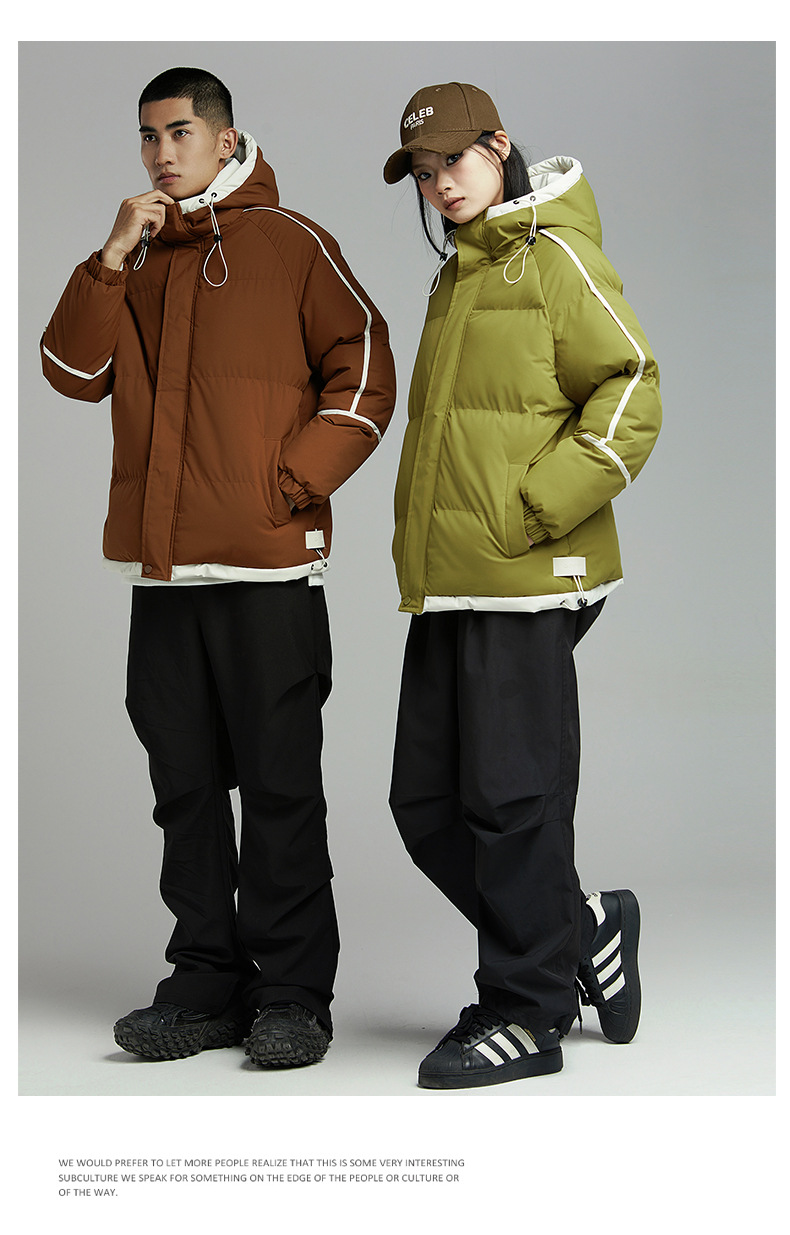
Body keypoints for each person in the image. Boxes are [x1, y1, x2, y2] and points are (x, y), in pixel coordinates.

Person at [41, 67, 396, 1069]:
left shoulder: (291, 242)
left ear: (226, 138)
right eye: (147, 136)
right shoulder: (136, 256)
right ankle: (205, 983)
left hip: (267, 573)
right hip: (162, 579)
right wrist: (110, 258)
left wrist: (293, 481)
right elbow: (70, 371)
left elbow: (366, 361)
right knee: (185, 790)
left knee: (279, 788)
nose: (161, 153)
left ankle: (292, 995)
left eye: (180, 133)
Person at [383, 82, 661, 1089]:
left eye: (453, 161)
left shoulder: (556, 256)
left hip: (526, 575)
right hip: (452, 578)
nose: (439, 183)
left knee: (511, 801)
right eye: (423, 171)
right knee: (426, 803)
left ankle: (527, 1010)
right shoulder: (458, 273)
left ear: (499, 145)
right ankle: (580, 925)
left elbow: (632, 384)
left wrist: (538, 507)